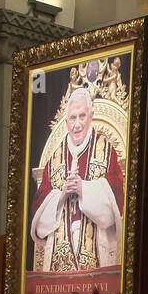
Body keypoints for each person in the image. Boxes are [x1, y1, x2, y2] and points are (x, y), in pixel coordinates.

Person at [29, 85, 125, 275]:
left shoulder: (106, 150)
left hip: (96, 246)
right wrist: (61, 196)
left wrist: (85, 189)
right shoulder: (55, 158)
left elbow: (118, 203)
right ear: (66, 122)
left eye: (82, 116)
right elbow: (38, 215)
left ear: (91, 117)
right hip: (59, 251)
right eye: (73, 118)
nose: (77, 124)